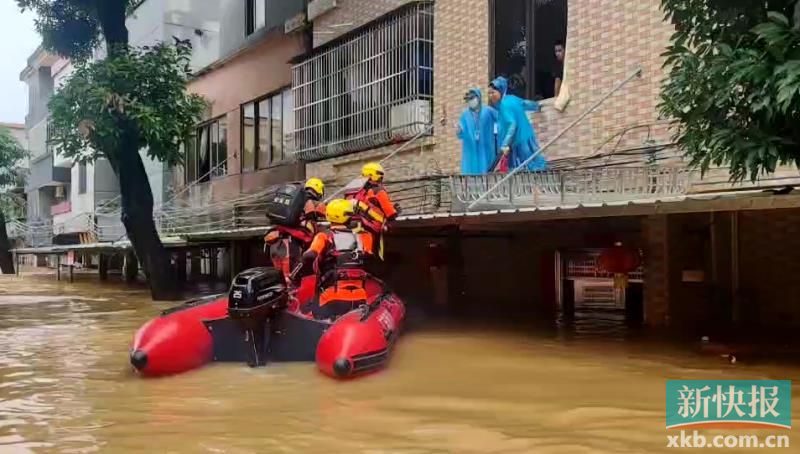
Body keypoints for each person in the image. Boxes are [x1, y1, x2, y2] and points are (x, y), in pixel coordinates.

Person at [292, 199, 374, 320]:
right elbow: (368, 258)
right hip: (359, 298)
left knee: (304, 310)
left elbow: (308, 257)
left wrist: (293, 277)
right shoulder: (364, 237)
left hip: (331, 299)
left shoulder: (324, 237)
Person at [264, 177, 326, 278]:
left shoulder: (296, 200)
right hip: (290, 245)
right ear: (319, 190)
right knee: (290, 279)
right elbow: (329, 212)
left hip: (275, 243)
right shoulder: (311, 202)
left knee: (280, 279)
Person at [487, 76, 548, 172]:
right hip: (527, 136)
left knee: (522, 168)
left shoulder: (504, 105)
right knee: (534, 163)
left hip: (518, 142)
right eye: (489, 93)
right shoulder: (512, 98)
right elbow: (524, 103)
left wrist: (504, 144)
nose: (490, 96)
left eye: (493, 92)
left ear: (501, 90)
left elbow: (512, 124)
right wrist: (537, 106)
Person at [347, 162, 399, 260]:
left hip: (355, 228)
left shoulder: (356, 192)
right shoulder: (378, 191)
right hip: (373, 228)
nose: (381, 179)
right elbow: (390, 214)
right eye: (380, 176)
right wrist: (396, 210)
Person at [456, 88, 498, 175]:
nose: (470, 101)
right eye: (468, 100)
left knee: (487, 171)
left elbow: (501, 119)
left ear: (478, 98)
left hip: (486, 148)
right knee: (472, 174)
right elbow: (460, 133)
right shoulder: (465, 115)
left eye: (472, 98)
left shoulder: (488, 111)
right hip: (471, 151)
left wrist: (496, 131)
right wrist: (459, 131)